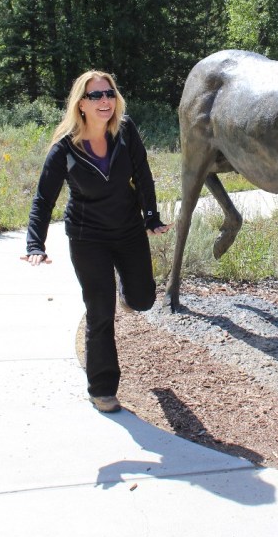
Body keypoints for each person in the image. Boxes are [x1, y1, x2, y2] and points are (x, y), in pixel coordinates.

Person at [21, 70, 171, 413]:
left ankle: (126, 293)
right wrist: (35, 244)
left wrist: (150, 216)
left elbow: (142, 173)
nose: (105, 101)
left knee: (144, 299)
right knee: (99, 312)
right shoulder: (64, 148)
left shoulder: (125, 130)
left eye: (109, 94)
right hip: (88, 238)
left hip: (129, 230)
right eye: (96, 95)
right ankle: (102, 389)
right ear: (81, 104)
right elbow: (44, 199)